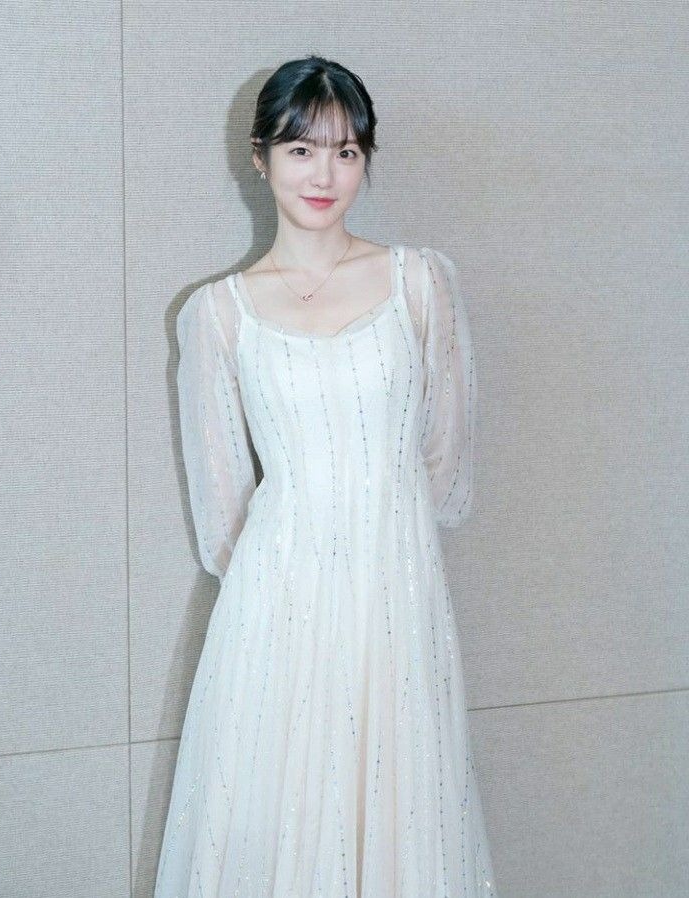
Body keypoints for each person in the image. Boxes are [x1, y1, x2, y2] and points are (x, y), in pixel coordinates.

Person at [155, 54, 497, 898]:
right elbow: (222, 512)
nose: (324, 174)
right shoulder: (218, 313)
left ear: (366, 160)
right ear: (260, 156)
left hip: (396, 598)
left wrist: (380, 538)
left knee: (401, 813)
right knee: (274, 822)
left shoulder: (420, 282)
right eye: (301, 149)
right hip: (275, 611)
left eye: (346, 151)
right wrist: (299, 574)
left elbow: (445, 461)